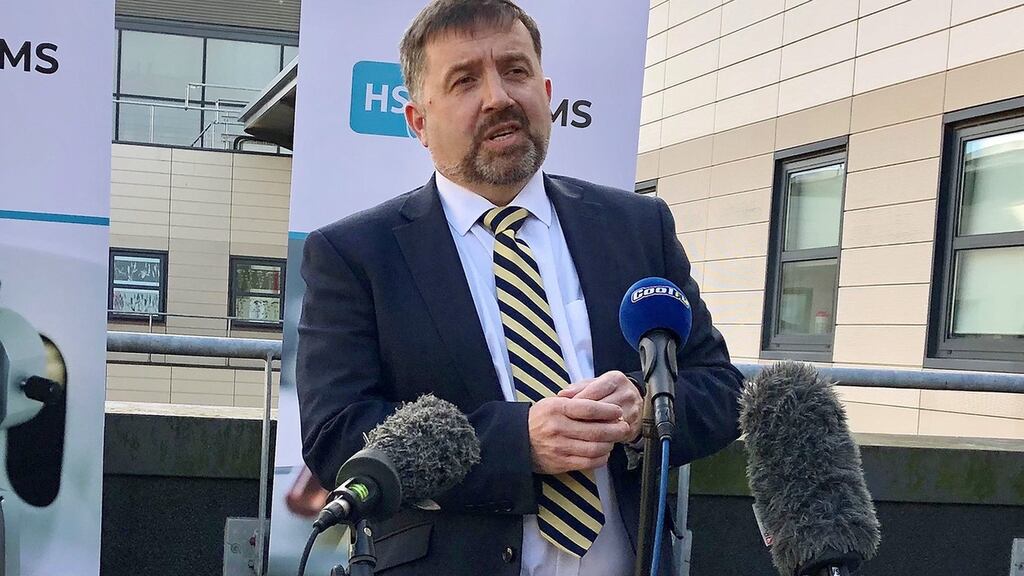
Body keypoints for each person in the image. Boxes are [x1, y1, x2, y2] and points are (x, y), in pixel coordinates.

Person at [295, 1, 743, 574]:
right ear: (418, 122)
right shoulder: (356, 255)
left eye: (515, 70)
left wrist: (646, 411)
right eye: (464, 80)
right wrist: (517, 443)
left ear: (546, 90)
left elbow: (720, 389)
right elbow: (338, 437)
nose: (498, 97)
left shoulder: (637, 228)